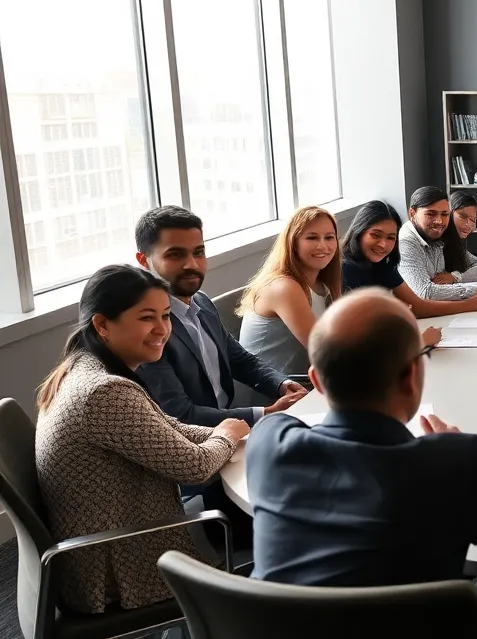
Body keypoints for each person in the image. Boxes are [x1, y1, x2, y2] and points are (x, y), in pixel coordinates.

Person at [247, 289, 477, 638]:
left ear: (316, 381)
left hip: (284, 626)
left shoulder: (269, 440)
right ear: (413, 375)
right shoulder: (453, 462)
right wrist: (472, 456)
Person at [34, 265, 248, 615]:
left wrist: (227, 431)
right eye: (147, 318)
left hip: (104, 551)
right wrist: (227, 435)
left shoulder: (84, 369)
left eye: (166, 316)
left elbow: (166, 429)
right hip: (122, 572)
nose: (162, 329)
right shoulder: (104, 392)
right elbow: (193, 467)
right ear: (102, 325)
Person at [135, 206, 306, 427]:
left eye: (198, 252)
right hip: (195, 441)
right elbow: (180, 415)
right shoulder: (147, 329)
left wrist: (282, 383)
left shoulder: (202, 302)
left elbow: (240, 360)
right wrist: (265, 413)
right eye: (175, 255)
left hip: (228, 428)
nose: (192, 264)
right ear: (143, 260)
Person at [341, 200, 477, 327]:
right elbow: (361, 328)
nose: (383, 244)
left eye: (390, 238)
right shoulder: (346, 269)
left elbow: (417, 306)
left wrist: (470, 304)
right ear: (359, 231)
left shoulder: (382, 264)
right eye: (375, 235)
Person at [238, 206, 342, 375]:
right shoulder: (284, 287)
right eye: (312, 238)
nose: (323, 246)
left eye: (329, 237)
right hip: (276, 391)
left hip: (305, 382)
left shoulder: (323, 283)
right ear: (293, 243)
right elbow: (325, 350)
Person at [398, 186, 477, 300]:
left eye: (444, 214)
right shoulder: (406, 242)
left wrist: (456, 277)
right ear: (412, 213)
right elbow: (425, 292)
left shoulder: (436, 234)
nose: (439, 221)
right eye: (430, 214)